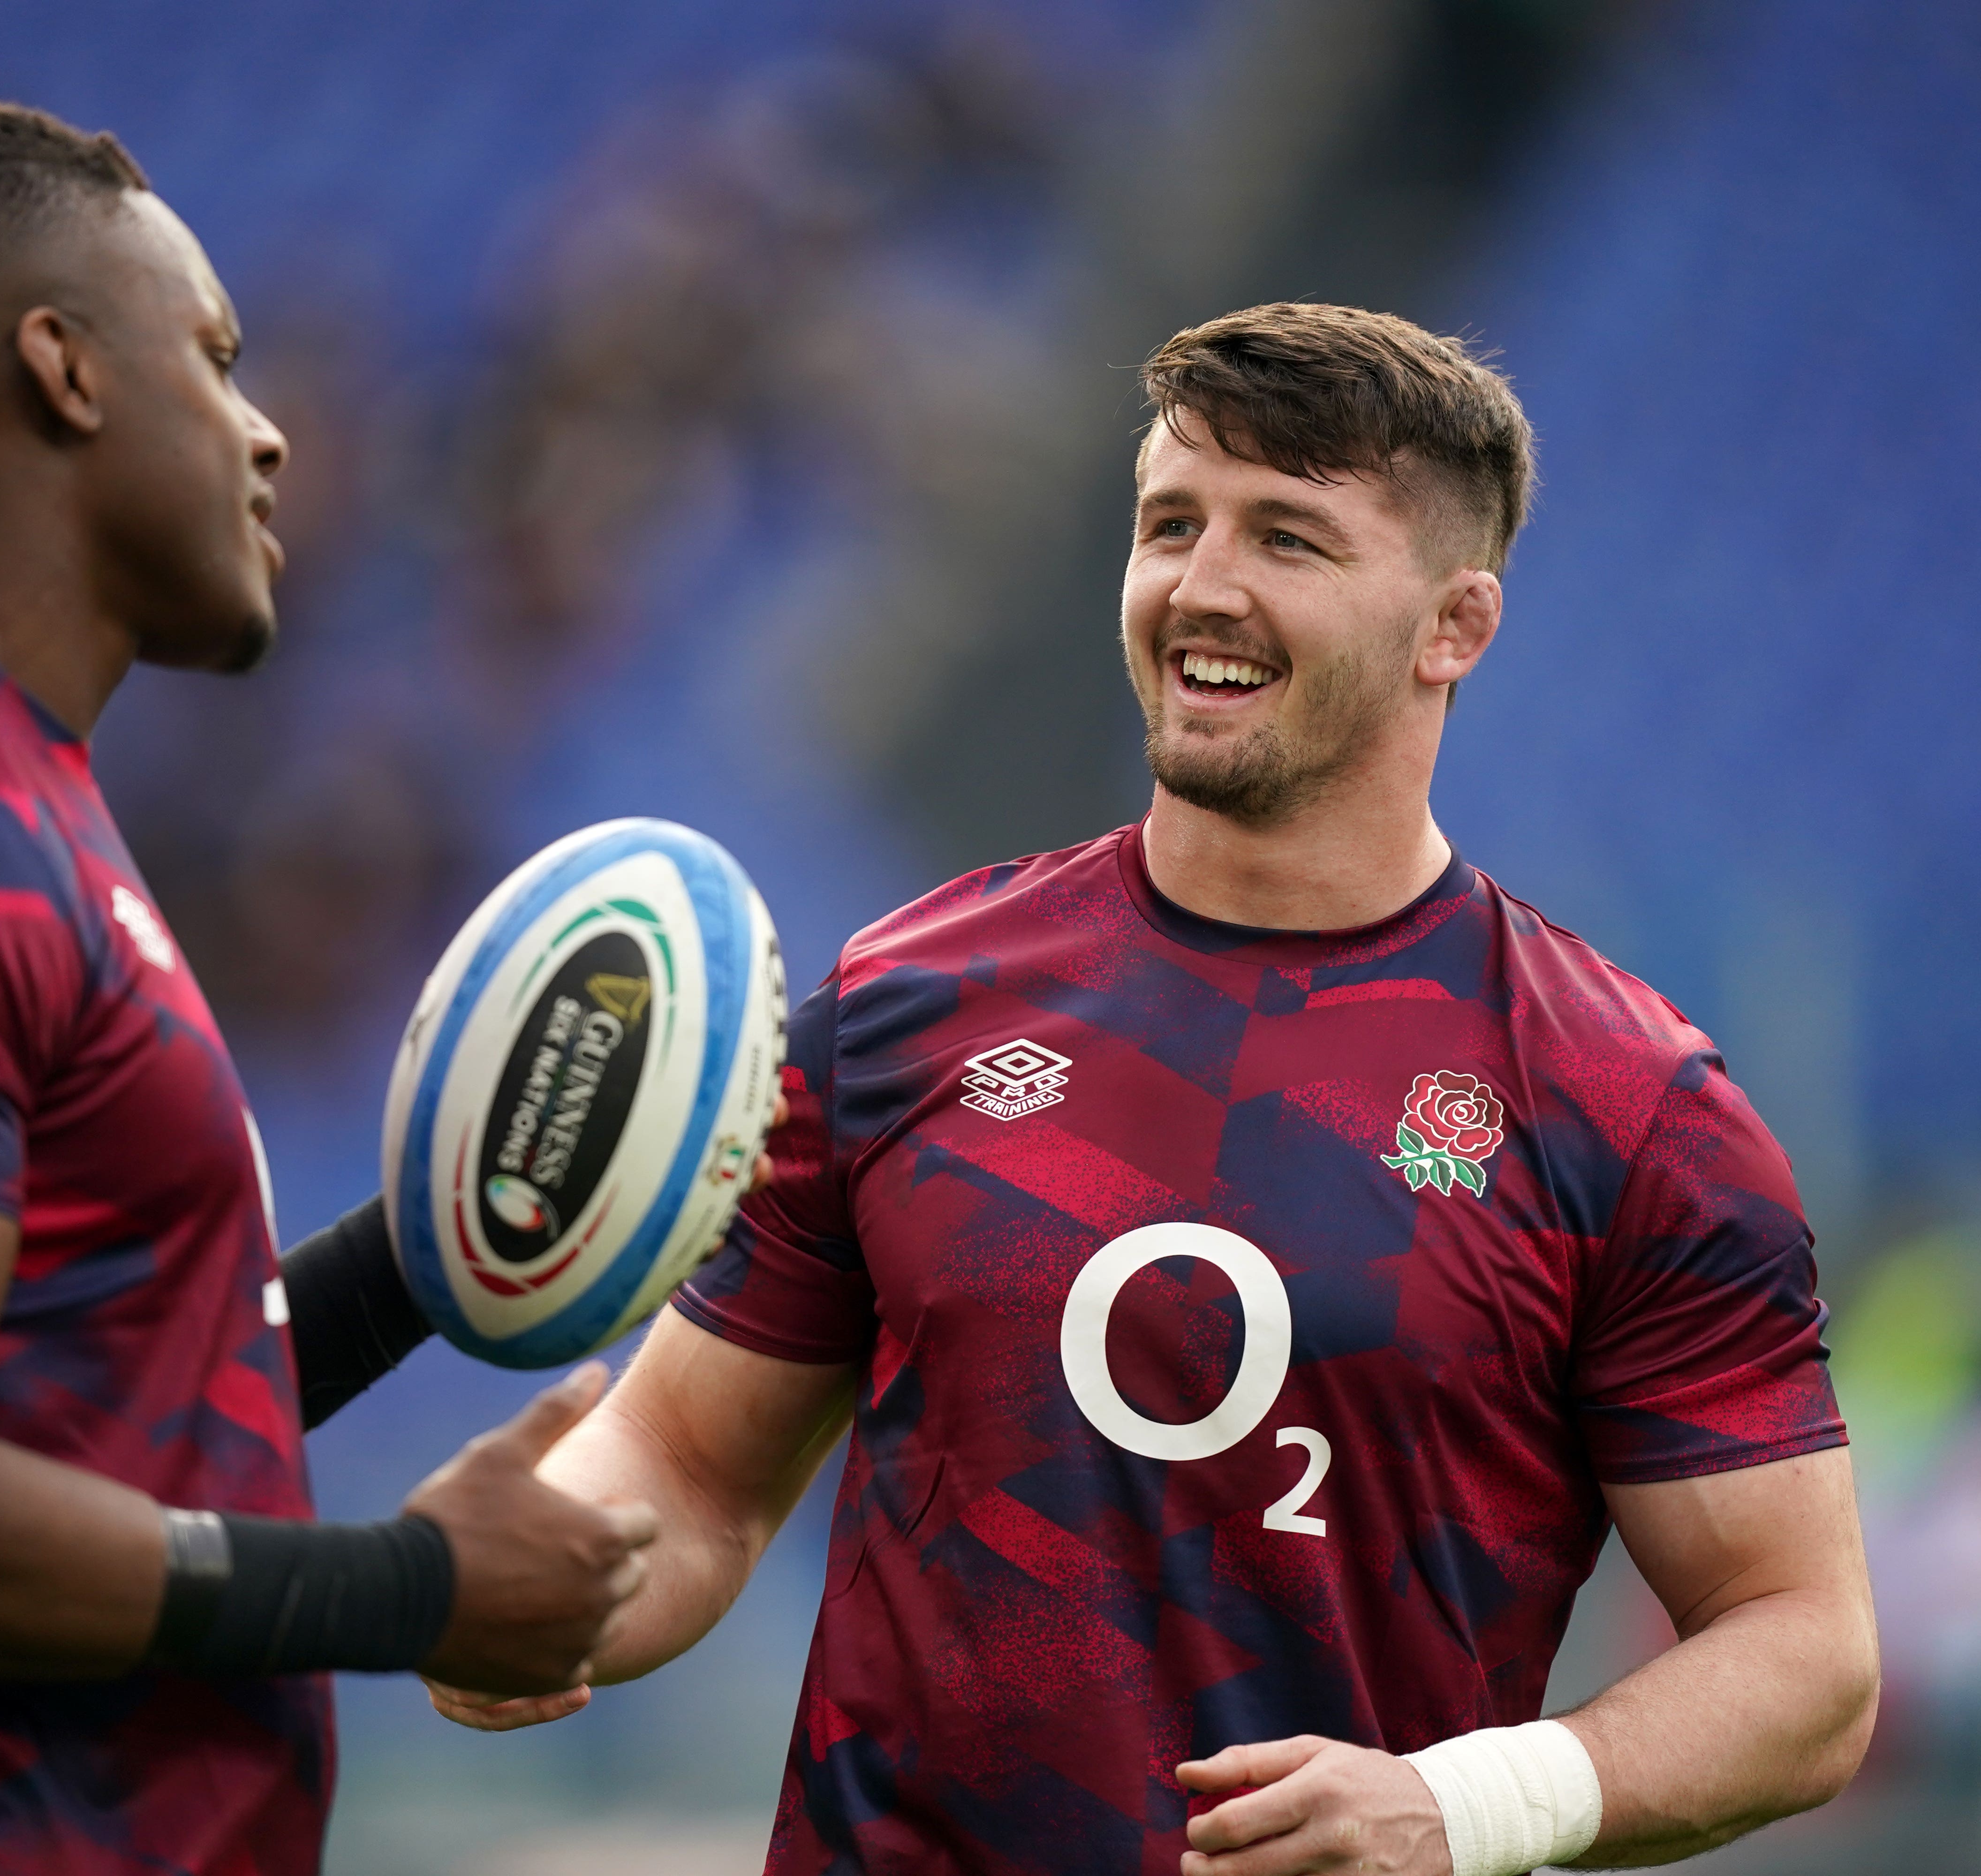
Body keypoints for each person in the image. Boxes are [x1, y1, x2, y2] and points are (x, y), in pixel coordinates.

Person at [427, 304, 1881, 1876]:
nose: (1202, 587)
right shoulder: (905, 1001)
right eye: (1170, 524)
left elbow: (1806, 1657)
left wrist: (1466, 1807)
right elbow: (694, 1470)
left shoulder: (1622, 1102)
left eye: (1290, 540)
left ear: (1454, 626)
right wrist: (534, 1582)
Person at [0, 60, 653, 1875]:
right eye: (219, 358)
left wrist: (417, 1264)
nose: (272, 436)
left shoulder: (5, 801)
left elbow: (90, 1407)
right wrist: (410, 1590)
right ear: (64, 369)